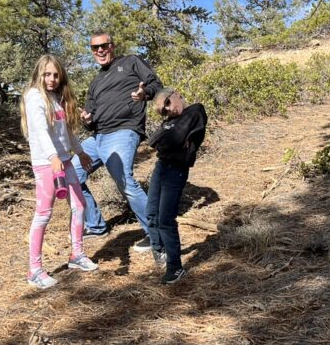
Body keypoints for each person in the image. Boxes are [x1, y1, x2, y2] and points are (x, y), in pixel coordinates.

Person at [71, 32, 163, 251]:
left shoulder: (130, 62)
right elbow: (91, 119)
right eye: (95, 48)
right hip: (98, 137)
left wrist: (144, 94)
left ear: (112, 46)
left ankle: (156, 235)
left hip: (123, 131)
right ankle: (95, 225)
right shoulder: (95, 82)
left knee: (124, 180)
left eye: (104, 45)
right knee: (70, 174)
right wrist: (87, 119)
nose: (100, 50)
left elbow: (156, 84)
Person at [20, 54, 99, 289]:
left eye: (55, 74)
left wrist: (80, 152)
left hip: (64, 160)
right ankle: (34, 269)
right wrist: (52, 157)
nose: (52, 79)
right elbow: (41, 131)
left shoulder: (56, 98)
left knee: (79, 205)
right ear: (39, 74)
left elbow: (66, 132)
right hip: (47, 163)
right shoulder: (34, 97)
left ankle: (77, 255)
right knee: (43, 213)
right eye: (47, 74)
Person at [145, 87, 207, 285]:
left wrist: (167, 137)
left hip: (176, 170)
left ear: (176, 94)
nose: (167, 111)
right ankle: (160, 251)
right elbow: (153, 141)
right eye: (163, 112)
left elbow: (173, 139)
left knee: (166, 219)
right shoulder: (172, 121)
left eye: (167, 104)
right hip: (161, 167)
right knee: (151, 212)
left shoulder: (195, 111)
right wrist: (166, 138)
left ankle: (175, 267)